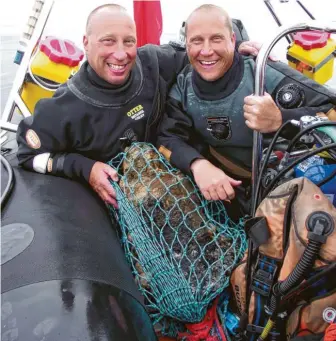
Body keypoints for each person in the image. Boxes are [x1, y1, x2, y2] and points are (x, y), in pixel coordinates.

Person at [16, 4, 264, 209]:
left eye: (129, 41)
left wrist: (236, 50)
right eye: (108, 42)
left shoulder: (154, 63)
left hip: (175, 177)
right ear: (86, 43)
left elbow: (202, 56)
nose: (121, 54)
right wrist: (84, 168)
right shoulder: (63, 108)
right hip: (117, 205)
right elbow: (28, 155)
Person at [157, 4, 335, 217]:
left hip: (291, 180)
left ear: (232, 40)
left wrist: (280, 120)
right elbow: (166, 138)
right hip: (233, 190)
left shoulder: (264, 74)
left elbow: (331, 111)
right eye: (196, 41)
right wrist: (198, 165)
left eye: (216, 39)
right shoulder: (183, 90)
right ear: (186, 45)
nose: (206, 51)